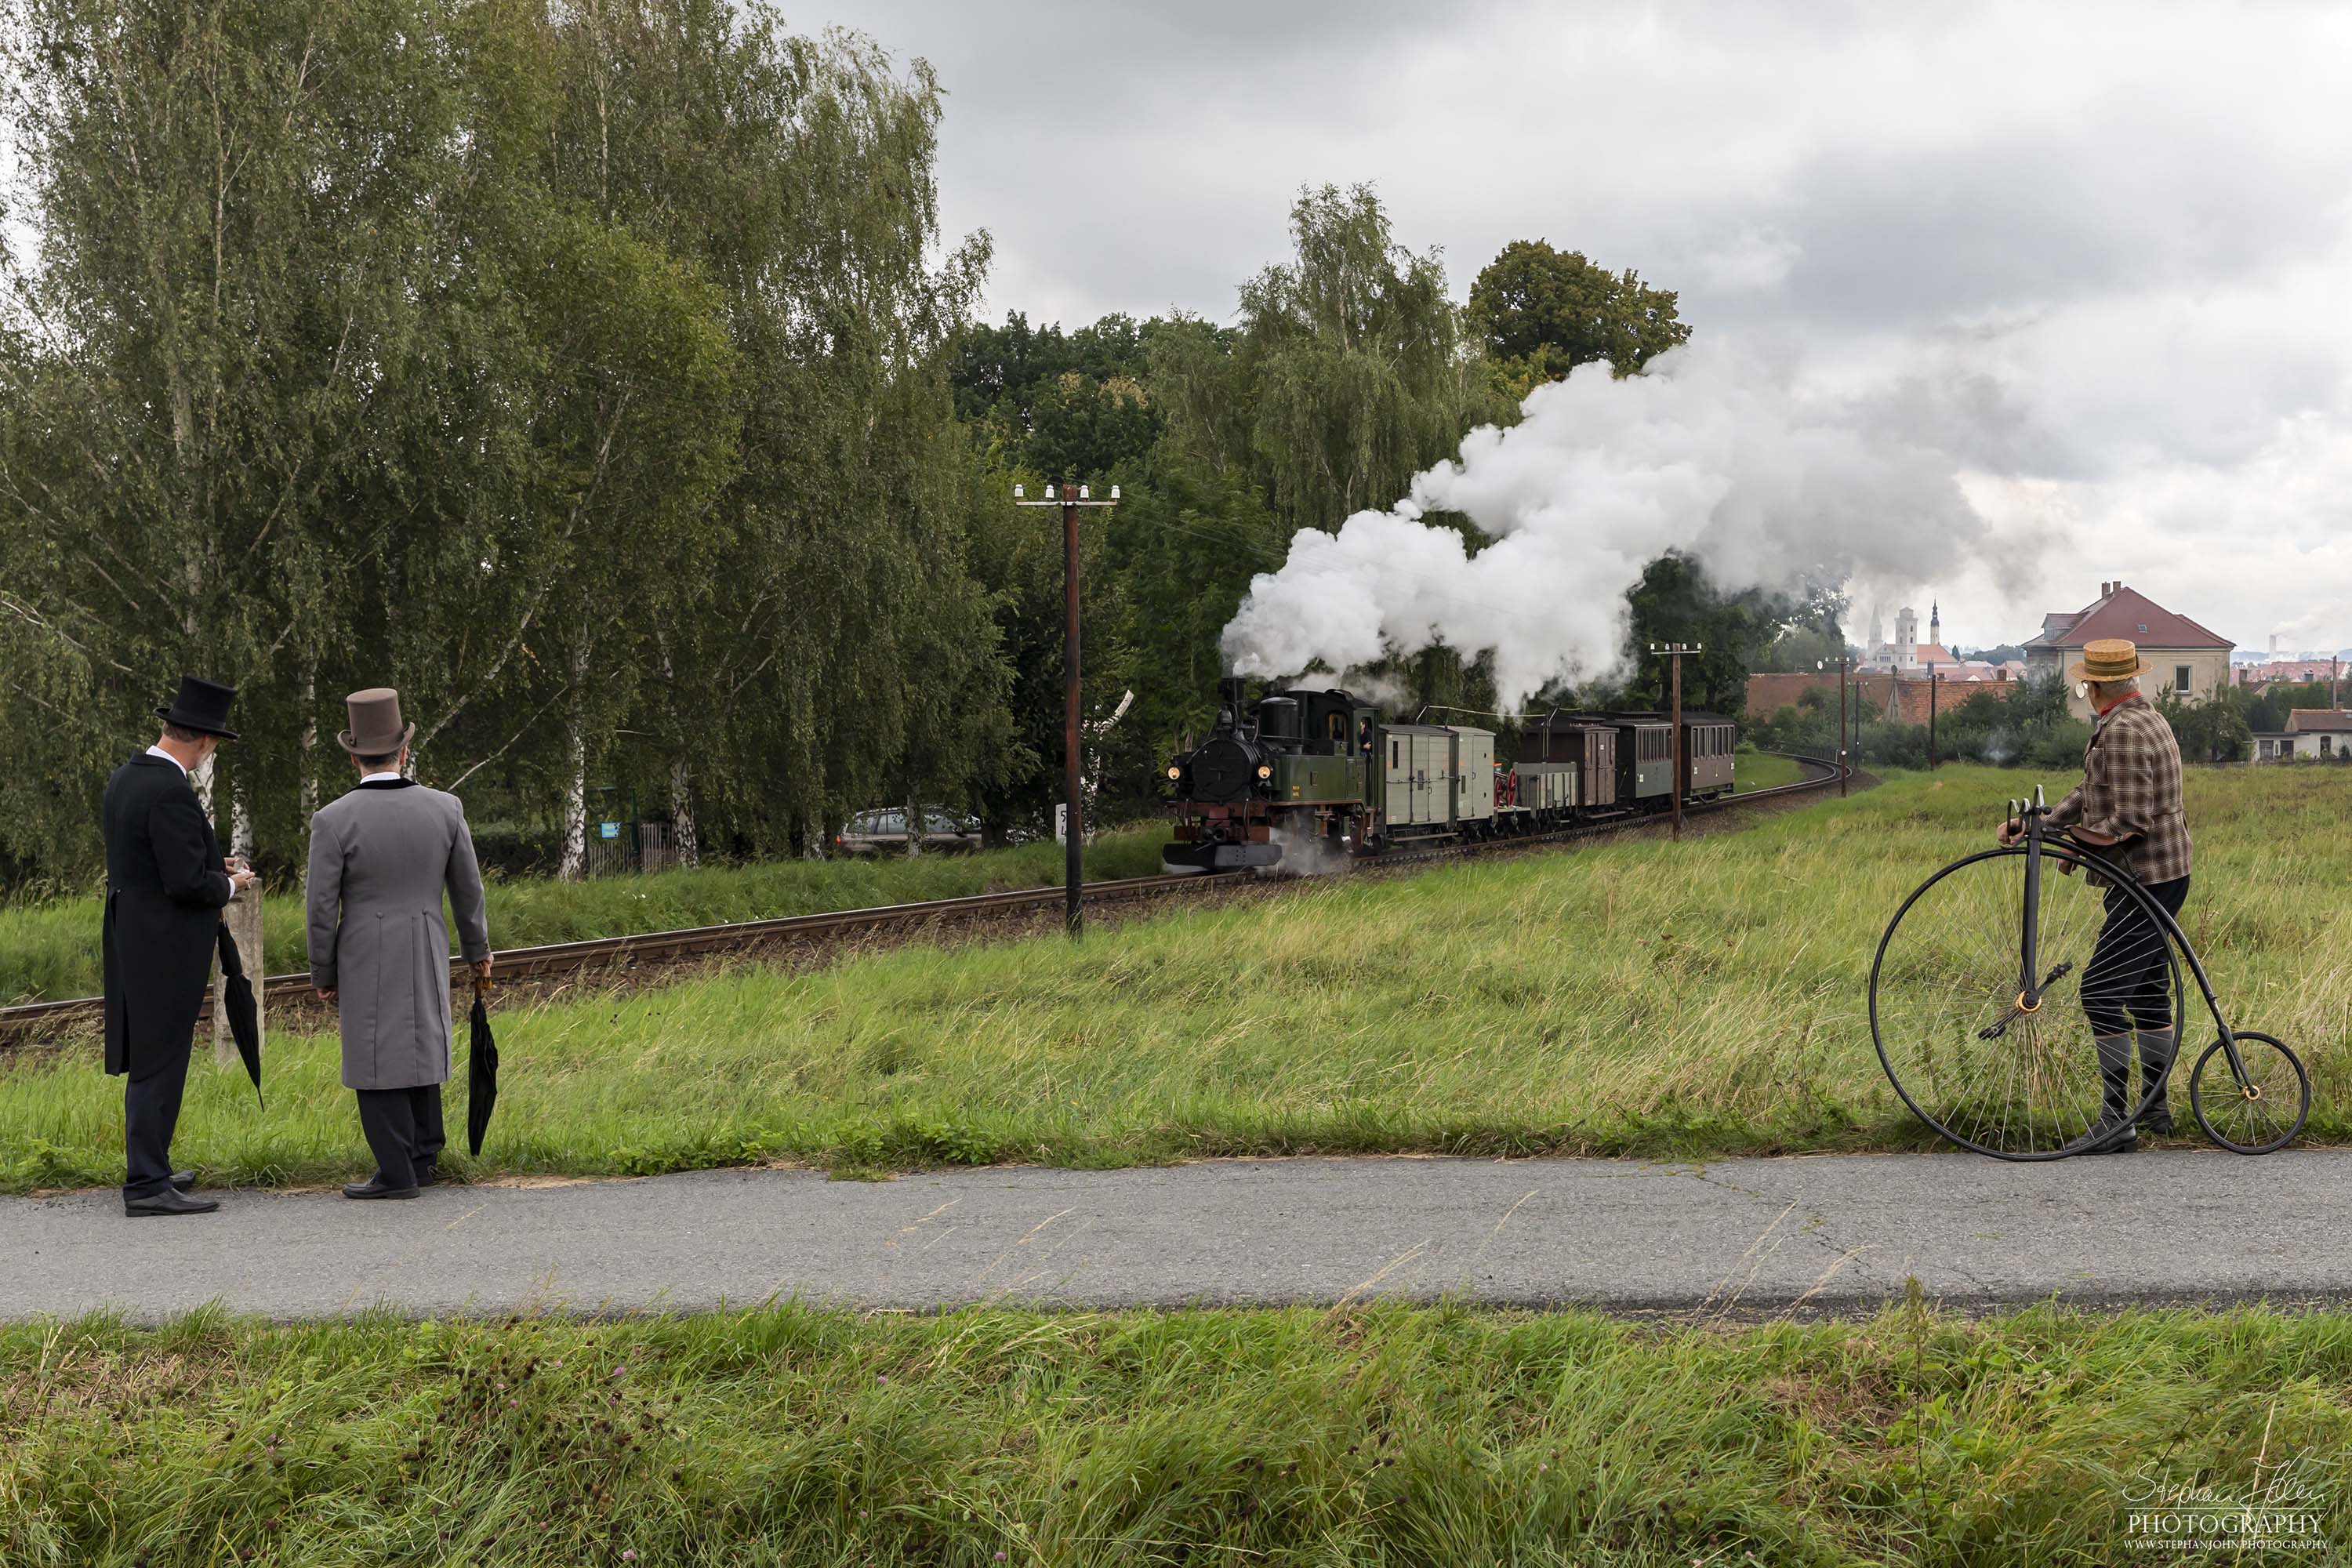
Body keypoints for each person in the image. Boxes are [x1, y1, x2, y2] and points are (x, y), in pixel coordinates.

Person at [1997, 638, 2192, 1152]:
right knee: (2148, 990)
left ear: (2096, 686)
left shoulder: (2124, 732)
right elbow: (2094, 792)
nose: (2084, 691)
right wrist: (2042, 823)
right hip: (2156, 873)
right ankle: (2156, 1112)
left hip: (2145, 876)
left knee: (2100, 992)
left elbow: (2127, 823)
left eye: (2086, 683)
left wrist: (2071, 841)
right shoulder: (2142, 717)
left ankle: (2117, 1121)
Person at [306, 688, 492, 1199]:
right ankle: (424, 1153)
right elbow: (468, 891)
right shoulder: (446, 808)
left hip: (364, 945)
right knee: (420, 1036)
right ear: (403, 751)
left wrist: (322, 972)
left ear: (353, 756)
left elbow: (321, 909)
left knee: (373, 1051)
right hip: (427, 937)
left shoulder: (333, 819)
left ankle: (395, 1173)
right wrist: (478, 952)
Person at [103, 676, 256, 1218]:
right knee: (158, 1061)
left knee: (155, 1056)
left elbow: (153, 860)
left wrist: (213, 865)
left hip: (136, 933)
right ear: (206, 741)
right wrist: (230, 884)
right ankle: (146, 1184)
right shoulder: (170, 789)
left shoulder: (128, 777)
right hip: (164, 945)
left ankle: (155, 1165)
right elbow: (186, 884)